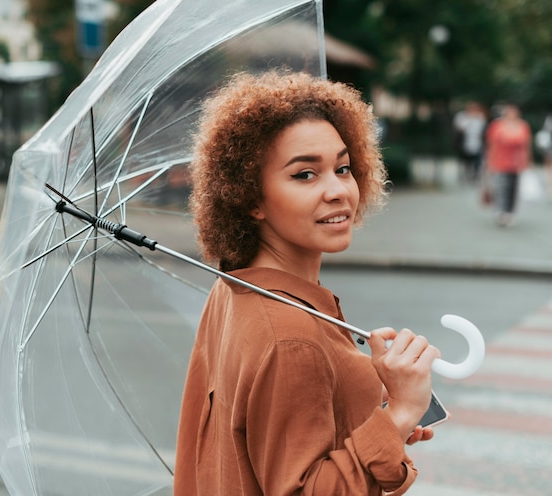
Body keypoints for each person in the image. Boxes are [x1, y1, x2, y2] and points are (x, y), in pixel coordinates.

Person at [174, 70, 440, 495]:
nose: (338, 191)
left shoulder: (233, 288)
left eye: (343, 167)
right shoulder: (290, 336)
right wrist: (403, 413)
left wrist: (375, 423)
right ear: (251, 198)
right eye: (305, 175)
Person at [484, 103, 532, 226]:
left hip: (516, 162)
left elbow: (526, 145)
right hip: (500, 161)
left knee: (513, 188)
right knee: (501, 187)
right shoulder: (497, 126)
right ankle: (500, 211)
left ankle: (510, 211)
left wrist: (527, 160)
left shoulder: (522, 125)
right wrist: (489, 161)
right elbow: (491, 144)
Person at [453, 101, 487, 182]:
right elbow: (459, 128)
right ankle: (467, 174)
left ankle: (475, 175)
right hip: (465, 142)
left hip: (477, 142)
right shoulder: (462, 116)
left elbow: (482, 129)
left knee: (477, 161)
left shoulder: (480, 117)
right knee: (466, 161)